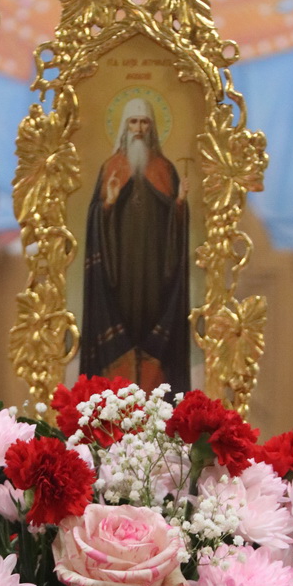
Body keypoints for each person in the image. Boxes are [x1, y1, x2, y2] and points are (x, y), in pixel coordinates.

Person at [80, 97, 190, 393]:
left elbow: (175, 225)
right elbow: (95, 219)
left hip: (155, 269)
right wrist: (108, 204)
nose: (139, 129)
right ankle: (118, 392)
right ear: (124, 127)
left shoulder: (165, 169)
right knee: (124, 323)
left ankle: (155, 392)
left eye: (144, 122)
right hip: (121, 270)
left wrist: (180, 204)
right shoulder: (111, 168)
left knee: (152, 323)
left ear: (152, 127)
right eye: (133, 122)